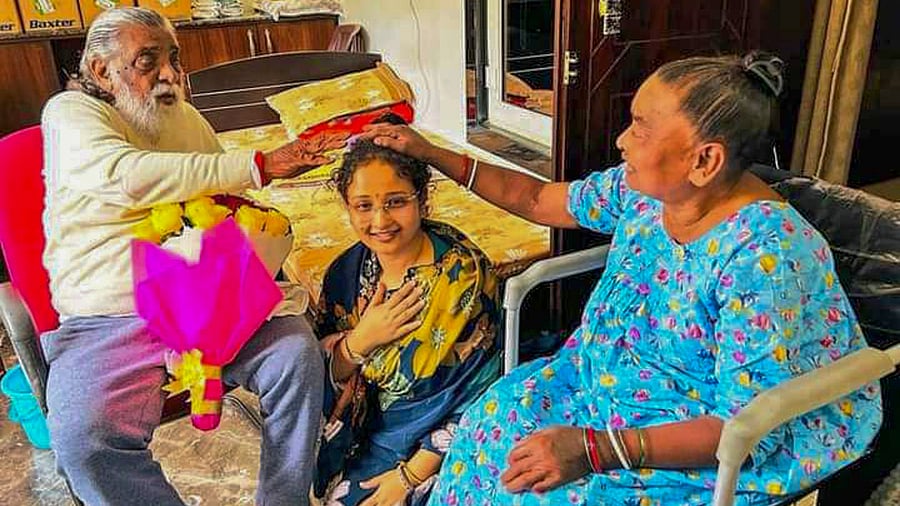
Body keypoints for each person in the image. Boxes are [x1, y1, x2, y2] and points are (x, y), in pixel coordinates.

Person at [360, 52, 883, 505]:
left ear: (704, 161)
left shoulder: (766, 258)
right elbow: (538, 200)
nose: (620, 140)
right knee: (486, 428)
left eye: (640, 127)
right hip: (609, 377)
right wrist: (430, 152)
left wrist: (596, 449)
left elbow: (747, 429)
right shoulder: (644, 191)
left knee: (541, 492)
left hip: (713, 432)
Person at [40, 7, 343, 505]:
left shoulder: (183, 114)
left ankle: (283, 499)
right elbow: (126, 176)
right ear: (100, 71)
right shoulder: (71, 113)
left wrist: (257, 226)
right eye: (147, 61)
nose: (168, 73)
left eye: (172, 59)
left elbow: (217, 192)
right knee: (81, 438)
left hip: (207, 300)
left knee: (297, 356)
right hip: (110, 316)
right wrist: (259, 164)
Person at [313, 129, 502, 506]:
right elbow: (320, 377)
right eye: (363, 206)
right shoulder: (345, 274)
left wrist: (409, 475)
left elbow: (482, 390)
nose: (380, 220)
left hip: (449, 438)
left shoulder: (461, 278)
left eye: (396, 202)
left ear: (422, 200)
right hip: (368, 434)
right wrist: (357, 344)